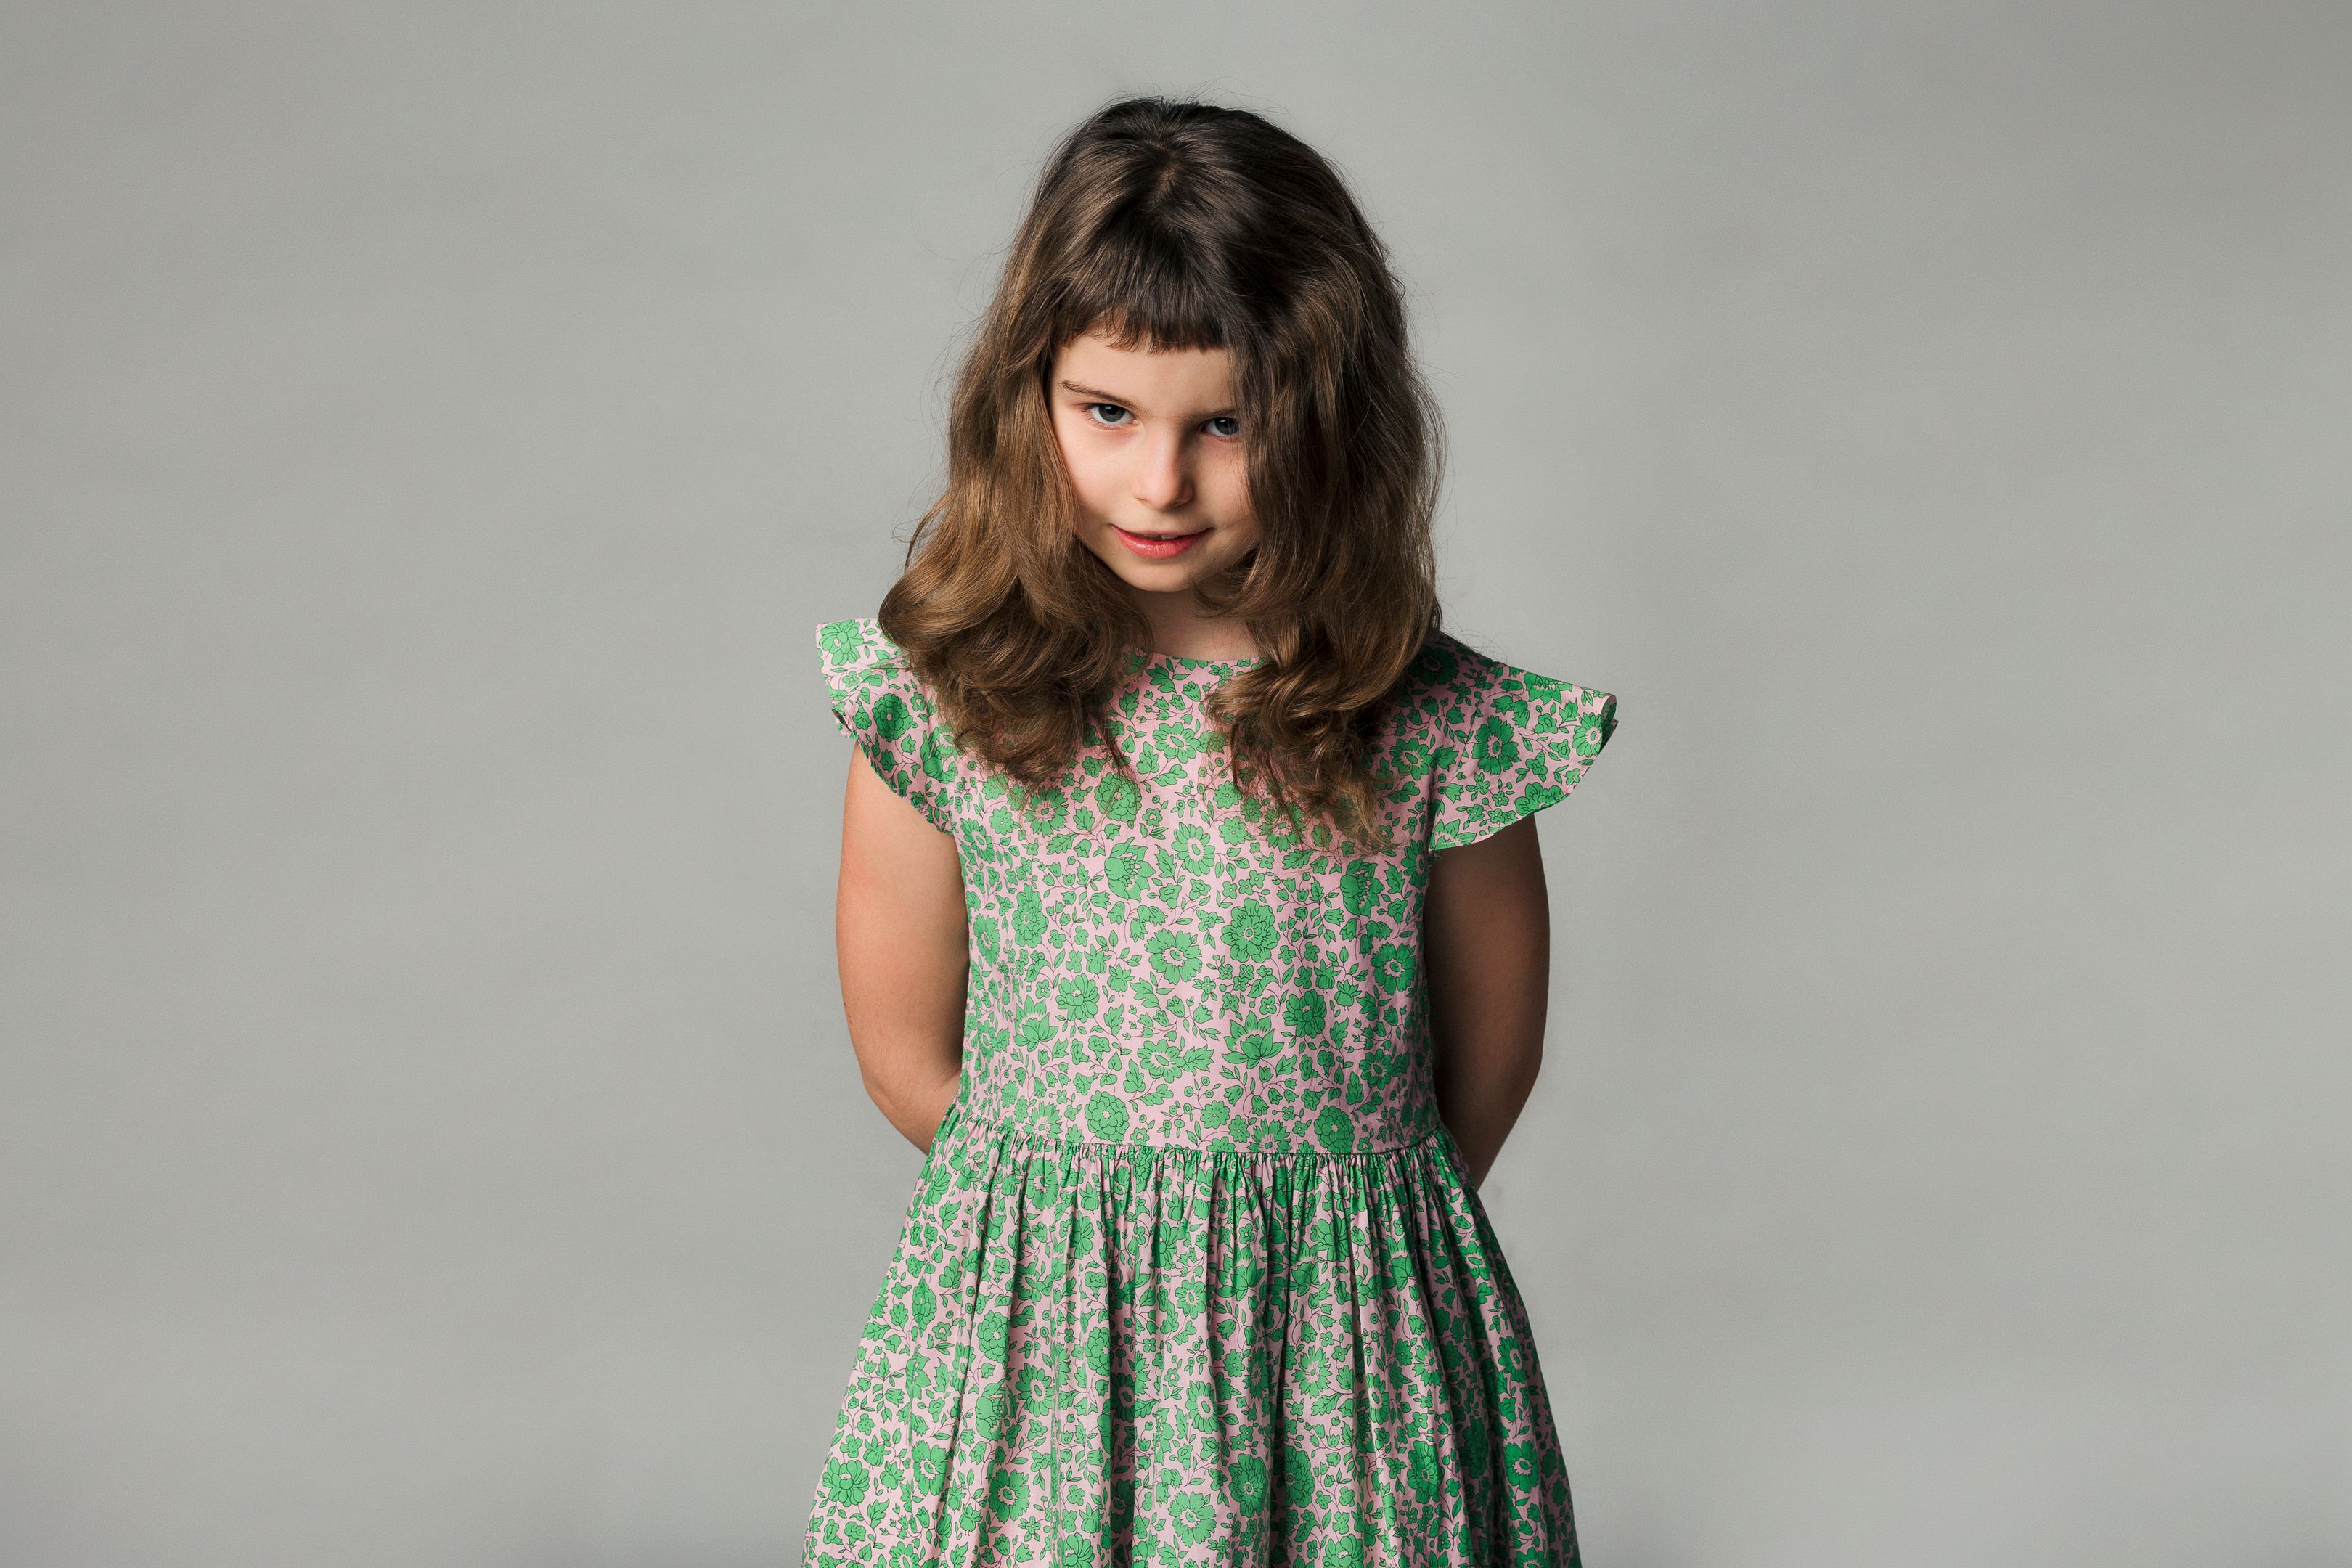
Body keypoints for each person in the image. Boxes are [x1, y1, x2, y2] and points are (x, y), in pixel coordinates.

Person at [806, 97, 1618, 1568]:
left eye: (1226, 424)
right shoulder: (946, 699)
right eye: (1106, 413)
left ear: (1327, 422)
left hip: (1352, 1356)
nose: (1161, 482)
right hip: (1047, 1351)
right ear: (1028, 396)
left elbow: (1486, 1069)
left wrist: (1321, 1254)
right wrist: (1099, 1242)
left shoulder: (1432, 720)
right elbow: (906, 1056)